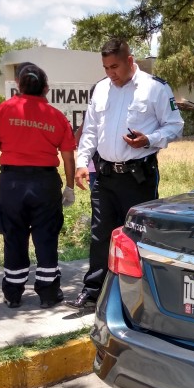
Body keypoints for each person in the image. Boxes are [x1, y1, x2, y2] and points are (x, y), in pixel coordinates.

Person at [66, 38, 184, 310]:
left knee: (137, 235)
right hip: (105, 176)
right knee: (100, 234)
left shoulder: (155, 88)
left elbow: (175, 126)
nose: (111, 73)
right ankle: (93, 290)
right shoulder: (101, 89)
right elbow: (91, 130)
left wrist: (149, 139)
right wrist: (83, 162)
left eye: (115, 66)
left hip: (137, 176)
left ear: (131, 61)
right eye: (106, 67)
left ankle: (139, 295)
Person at [0, 63, 77, 309]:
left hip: (12, 183)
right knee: (46, 236)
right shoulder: (57, 116)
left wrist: (10, 145)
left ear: (19, 87)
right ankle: (48, 293)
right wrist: (69, 186)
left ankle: (12, 293)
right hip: (45, 183)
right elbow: (67, 156)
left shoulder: (3, 109)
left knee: (14, 235)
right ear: (46, 88)